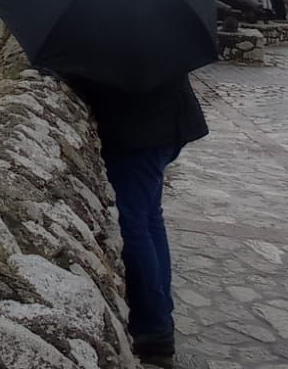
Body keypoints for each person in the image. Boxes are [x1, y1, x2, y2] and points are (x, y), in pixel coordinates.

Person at [71, 74, 209, 368]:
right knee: (149, 218)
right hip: (170, 122)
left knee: (132, 225)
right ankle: (160, 312)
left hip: (142, 132)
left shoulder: (110, 32)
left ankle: (153, 330)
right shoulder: (152, 29)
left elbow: (99, 70)